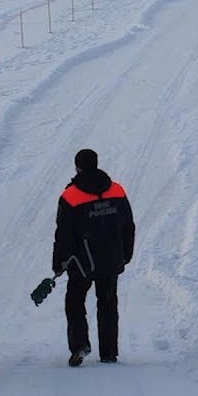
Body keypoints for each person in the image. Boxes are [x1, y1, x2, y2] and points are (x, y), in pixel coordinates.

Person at [53, 148, 135, 367]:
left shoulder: (70, 196)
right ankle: (109, 352)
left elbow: (63, 234)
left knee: (75, 302)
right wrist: (126, 253)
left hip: (82, 262)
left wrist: (59, 264)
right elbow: (128, 225)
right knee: (108, 303)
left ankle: (80, 344)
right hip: (111, 257)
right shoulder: (116, 190)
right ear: (97, 164)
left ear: (77, 167)